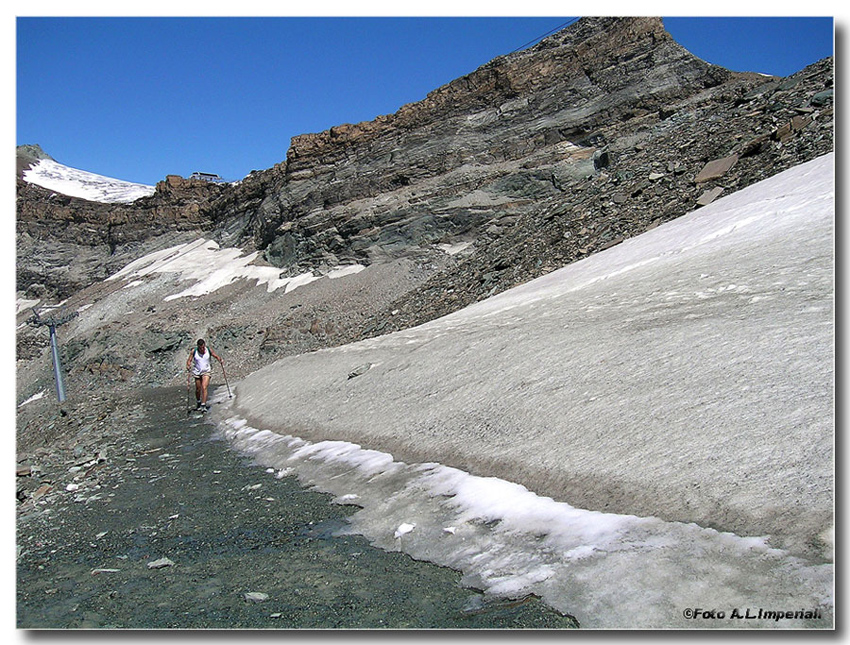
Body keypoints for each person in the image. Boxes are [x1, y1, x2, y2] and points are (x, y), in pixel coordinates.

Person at [186, 339, 222, 411]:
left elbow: (215, 355)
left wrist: (220, 359)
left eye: (203, 347)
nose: (202, 349)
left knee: (204, 387)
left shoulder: (208, 350)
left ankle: (203, 405)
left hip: (206, 371)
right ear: (198, 346)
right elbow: (189, 360)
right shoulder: (194, 351)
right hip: (197, 372)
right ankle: (199, 401)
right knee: (198, 389)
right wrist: (188, 365)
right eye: (200, 348)